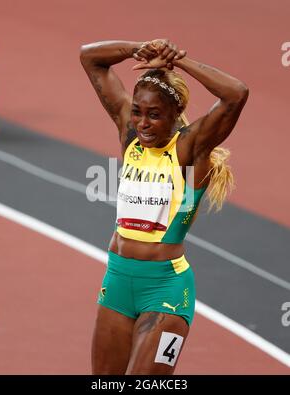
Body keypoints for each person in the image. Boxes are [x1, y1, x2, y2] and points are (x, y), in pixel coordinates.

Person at [80, 39, 249, 375]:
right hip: (116, 281)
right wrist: (136, 48)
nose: (142, 123)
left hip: (165, 291)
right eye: (138, 112)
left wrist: (180, 61)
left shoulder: (190, 148)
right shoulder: (130, 137)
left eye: (154, 115)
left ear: (175, 116)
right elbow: (90, 57)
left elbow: (236, 93)